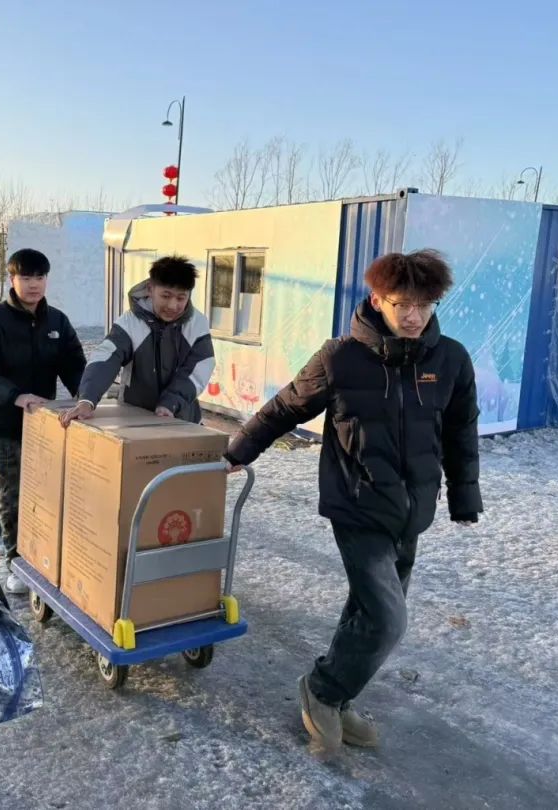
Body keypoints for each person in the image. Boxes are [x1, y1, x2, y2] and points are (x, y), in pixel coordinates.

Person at [224, 249, 482, 751]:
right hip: (357, 505)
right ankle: (323, 690)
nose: (413, 316)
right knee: (387, 619)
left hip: (413, 511)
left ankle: (337, 698)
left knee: (367, 614)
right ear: (378, 300)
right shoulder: (340, 358)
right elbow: (285, 407)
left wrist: (463, 496)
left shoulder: (450, 359)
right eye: (402, 304)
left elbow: (460, 432)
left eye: (424, 305)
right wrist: (239, 450)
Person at [0, 248, 86, 594]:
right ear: (12, 279)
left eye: (40, 277)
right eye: (26, 277)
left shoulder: (57, 322)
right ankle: (17, 560)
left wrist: (86, 397)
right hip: (3, 421)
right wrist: (15, 396)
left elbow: (75, 365)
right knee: (15, 488)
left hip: (43, 421)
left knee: (21, 485)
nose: (34, 285)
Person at [61, 254, 214, 426]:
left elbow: (199, 369)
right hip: (133, 420)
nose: (173, 306)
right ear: (150, 289)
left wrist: (170, 403)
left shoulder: (197, 324)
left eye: (181, 298)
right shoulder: (130, 322)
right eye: (165, 296)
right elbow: (106, 358)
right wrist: (87, 399)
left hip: (183, 420)